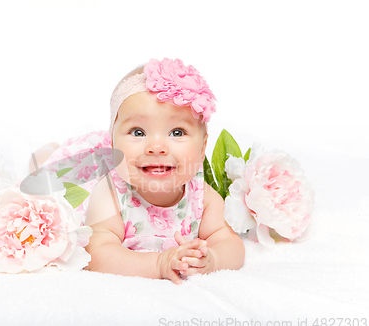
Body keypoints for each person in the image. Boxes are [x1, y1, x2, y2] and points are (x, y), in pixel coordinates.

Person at [31, 58, 245, 284]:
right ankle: (47, 152)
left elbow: (231, 244)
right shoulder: (111, 193)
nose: (156, 148)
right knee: (50, 172)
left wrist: (213, 259)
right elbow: (96, 253)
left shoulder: (203, 196)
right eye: (138, 132)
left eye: (177, 132)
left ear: (202, 148)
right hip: (84, 178)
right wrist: (158, 263)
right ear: (113, 143)